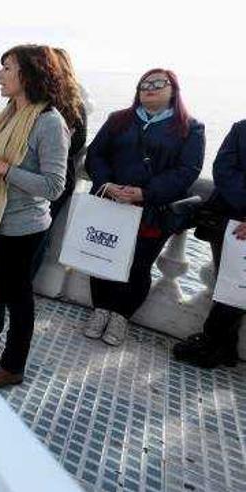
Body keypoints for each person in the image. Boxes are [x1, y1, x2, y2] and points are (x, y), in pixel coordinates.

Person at [0, 45, 72, 388]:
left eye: (6, 68)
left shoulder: (50, 122)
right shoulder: (8, 112)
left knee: (18, 299)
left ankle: (12, 366)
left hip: (24, 229)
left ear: (29, 74)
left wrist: (2, 168)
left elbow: (54, 186)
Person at [83, 68, 205, 346]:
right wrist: (107, 183)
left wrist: (145, 193)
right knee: (101, 258)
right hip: (111, 202)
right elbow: (96, 154)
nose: (150, 87)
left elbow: (187, 170)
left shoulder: (190, 128)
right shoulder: (118, 120)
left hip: (151, 210)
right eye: (145, 84)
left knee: (139, 266)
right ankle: (100, 310)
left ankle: (121, 316)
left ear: (173, 90)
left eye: (159, 83)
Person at [173, 120, 246, 368]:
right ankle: (224, 346)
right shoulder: (241, 128)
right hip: (229, 222)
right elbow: (224, 170)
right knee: (229, 283)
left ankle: (213, 341)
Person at [30, 47, 87, 276]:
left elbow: (76, 144)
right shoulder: (34, 100)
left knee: (38, 236)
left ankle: (23, 284)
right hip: (28, 177)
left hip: (55, 180)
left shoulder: (74, 105)